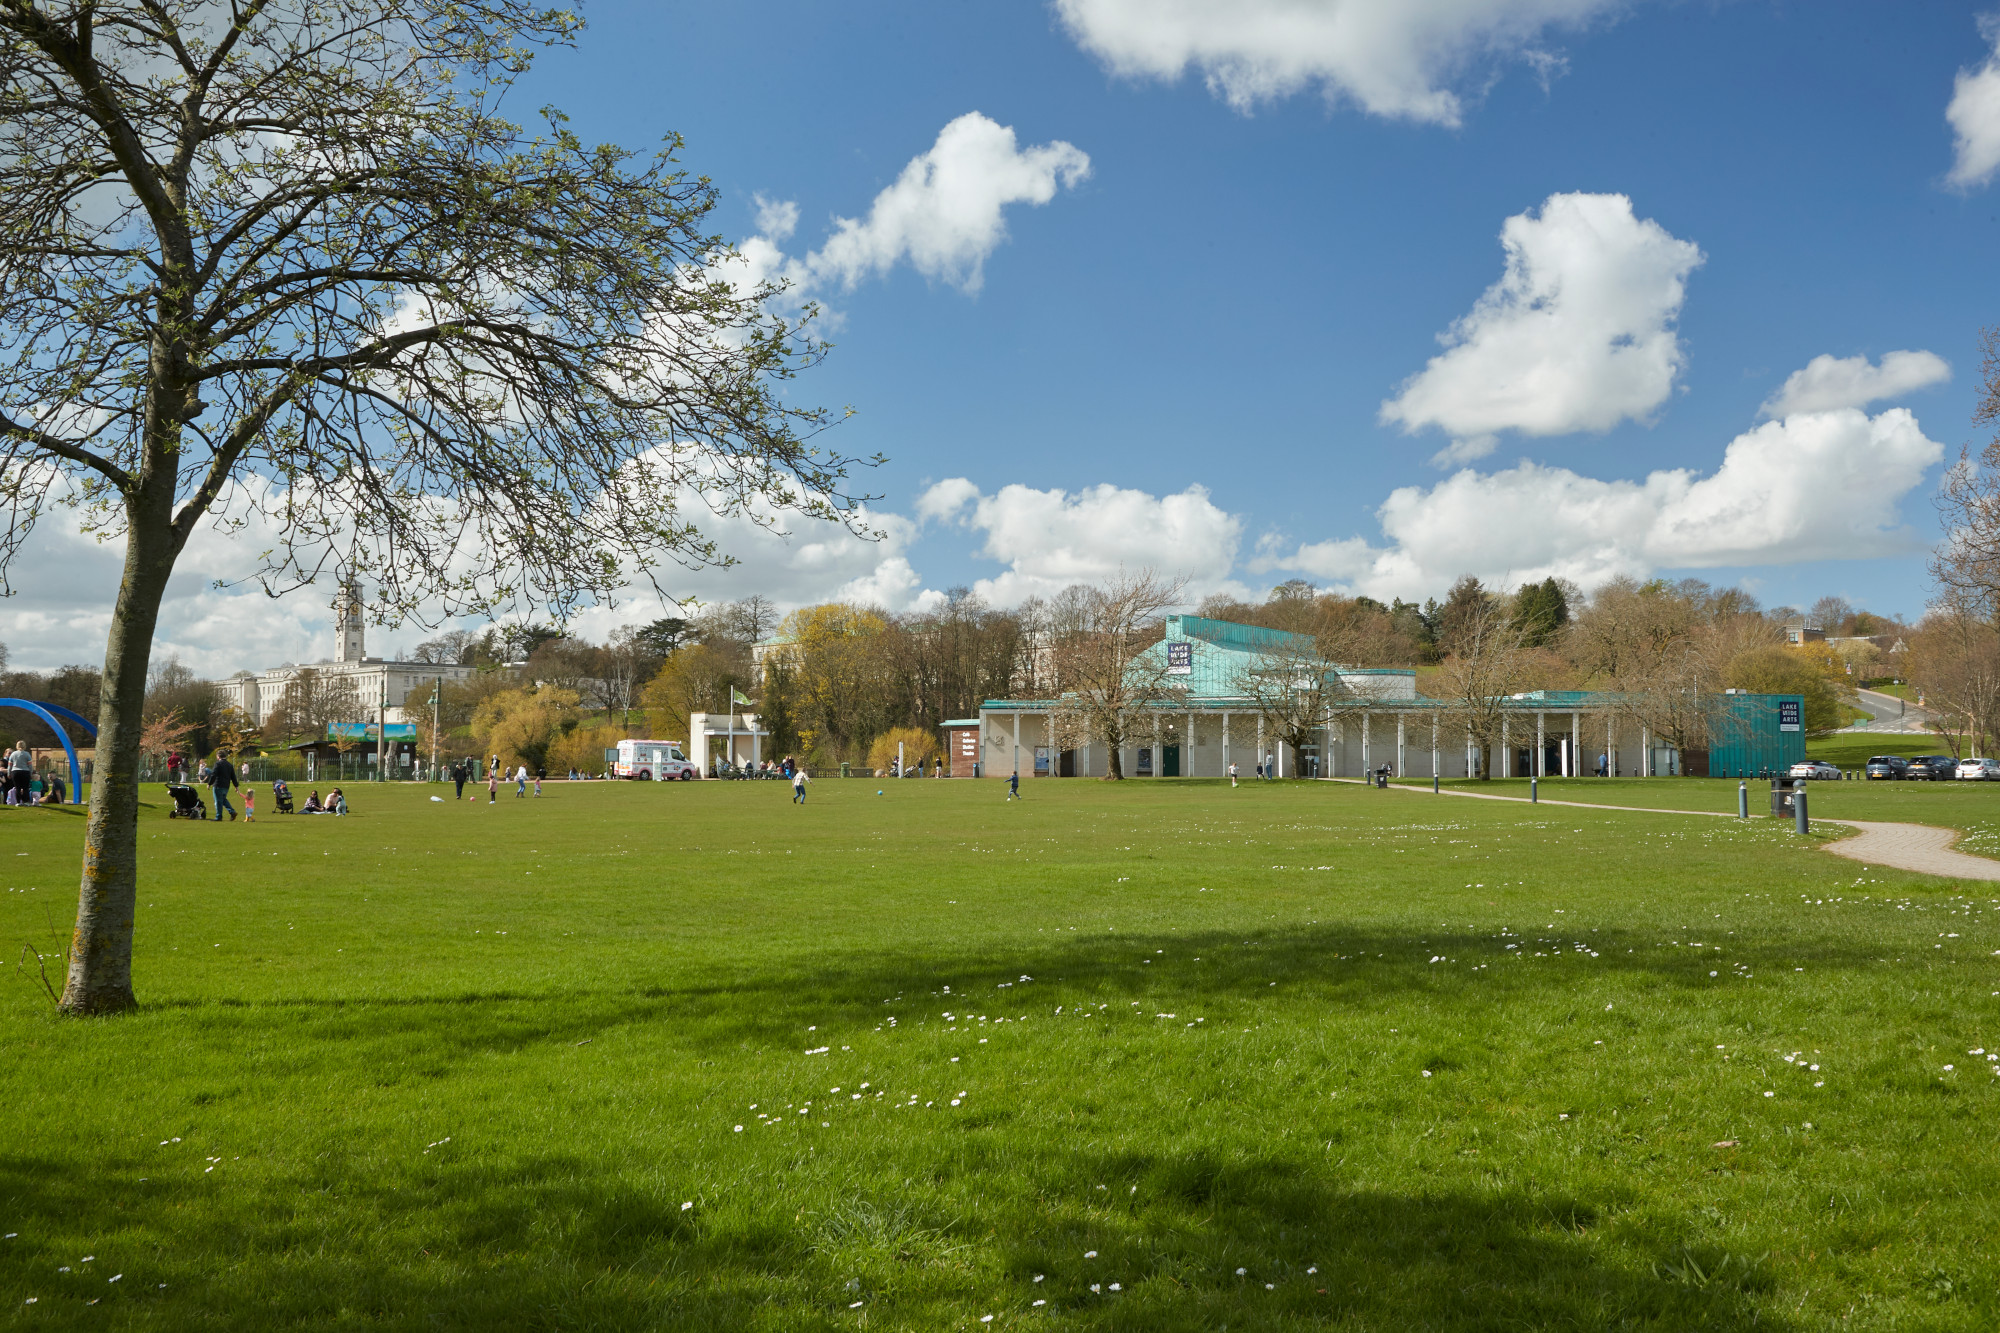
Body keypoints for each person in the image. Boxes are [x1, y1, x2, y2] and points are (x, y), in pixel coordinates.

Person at [208, 751, 238, 822]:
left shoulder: (218, 764)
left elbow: (213, 774)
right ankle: (232, 812)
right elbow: (233, 776)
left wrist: (209, 783)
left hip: (218, 785)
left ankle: (218, 816)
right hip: (226, 786)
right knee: (223, 799)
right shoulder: (229, 765)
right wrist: (236, 786)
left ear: (218, 756)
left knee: (218, 801)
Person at [8, 739, 32, 806]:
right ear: (25, 746)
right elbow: (30, 765)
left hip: (15, 771)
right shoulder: (27, 754)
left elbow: (9, 765)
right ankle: (26, 801)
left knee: (17, 787)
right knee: (25, 788)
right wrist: (31, 773)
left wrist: (8, 773)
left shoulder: (13, 754)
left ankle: (18, 802)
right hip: (25, 772)